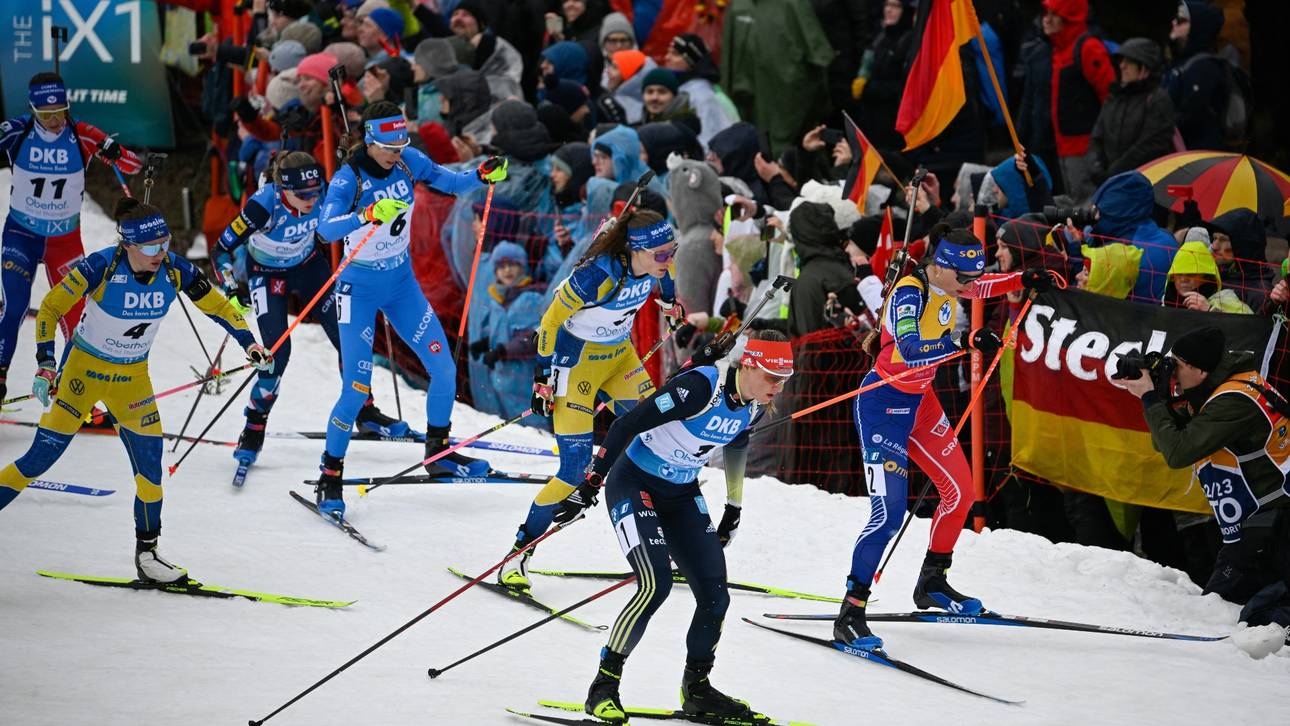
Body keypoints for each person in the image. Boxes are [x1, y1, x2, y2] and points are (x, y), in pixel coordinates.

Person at [0, 199, 270, 582]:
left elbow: (220, 307)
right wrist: (45, 364)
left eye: (165, 242)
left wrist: (250, 343)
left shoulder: (175, 270)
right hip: (82, 375)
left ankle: (148, 555)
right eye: (150, 247)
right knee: (37, 461)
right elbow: (50, 308)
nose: (160, 253)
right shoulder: (102, 266)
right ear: (127, 244)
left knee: (150, 475)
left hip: (132, 382)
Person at [553, 329, 795, 723]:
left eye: (783, 380)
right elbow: (625, 425)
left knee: (717, 596)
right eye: (771, 377)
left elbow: (736, 442)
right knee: (655, 585)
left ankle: (697, 691)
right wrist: (590, 484)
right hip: (634, 484)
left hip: (681, 493)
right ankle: (604, 687)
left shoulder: (754, 402)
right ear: (748, 365)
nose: (777, 388)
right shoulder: (700, 388)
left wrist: (733, 507)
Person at [834, 228, 1050, 651]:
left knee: (961, 493)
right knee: (889, 514)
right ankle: (851, 612)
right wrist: (963, 340)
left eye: (973, 277)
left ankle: (932, 582)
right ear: (941, 267)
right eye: (964, 278)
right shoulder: (909, 293)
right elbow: (910, 350)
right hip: (883, 406)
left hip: (922, 403)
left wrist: (1025, 279)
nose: (971, 286)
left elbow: (983, 283)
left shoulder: (953, 283)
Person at [311, 101, 508, 518]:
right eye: (388, 146)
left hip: (401, 284)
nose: (396, 152)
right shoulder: (350, 179)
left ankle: (438, 451)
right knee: (355, 389)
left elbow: (450, 182)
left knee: (443, 368)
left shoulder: (408, 162)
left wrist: (480, 174)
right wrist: (363, 215)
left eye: (401, 143)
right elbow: (325, 228)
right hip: (358, 290)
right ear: (369, 140)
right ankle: (331, 473)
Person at [498, 209, 682, 591]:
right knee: (573, 469)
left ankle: (667, 543)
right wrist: (542, 379)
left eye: (672, 251)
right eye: (661, 254)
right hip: (576, 364)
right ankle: (518, 553)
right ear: (636, 249)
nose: (668, 260)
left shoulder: (657, 265)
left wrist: (670, 304)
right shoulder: (598, 274)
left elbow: (666, 282)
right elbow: (549, 322)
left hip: (619, 357)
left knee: (660, 435)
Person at [212, 150, 406, 469]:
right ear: (282, 189)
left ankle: (365, 410)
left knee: (349, 337)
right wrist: (231, 286)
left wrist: (373, 212)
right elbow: (221, 249)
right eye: (302, 195)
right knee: (277, 354)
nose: (311, 200)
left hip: (308, 266)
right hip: (267, 275)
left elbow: (350, 211)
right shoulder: (263, 205)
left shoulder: (323, 191)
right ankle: (254, 425)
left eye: (315, 193)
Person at [1114, 326, 1290, 609]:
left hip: (1275, 521)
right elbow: (1166, 441)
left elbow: (1178, 452)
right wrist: (1155, 398)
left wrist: (1150, 398)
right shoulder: (1218, 392)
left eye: (1178, 366)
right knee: (1224, 609)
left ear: (1201, 371)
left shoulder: (1233, 399)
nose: (1173, 374)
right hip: (1257, 522)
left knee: (1223, 610)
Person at [0, 73, 142, 402]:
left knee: (78, 315)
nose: (53, 120)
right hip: (22, 235)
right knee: (16, 305)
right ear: (32, 110)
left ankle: (72, 383)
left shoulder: (83, 136)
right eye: (45, 114)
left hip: (64, 241)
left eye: (60, 111)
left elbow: (132, 166)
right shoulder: (17, 132)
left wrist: (113, 150)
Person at [1035, 0, 1115, 201]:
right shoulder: (1058, 50)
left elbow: (1110, 97)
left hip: (1086, 147)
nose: (1047, 19)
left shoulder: (1088, 48)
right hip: (1064, 146)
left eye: (1054, 14)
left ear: (1069, 17)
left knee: (1087, 204)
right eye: (1046, 13)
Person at [1088, 38, 1177, 185]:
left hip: (1144, 185)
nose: (1122, 66)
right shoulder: (1114, 97)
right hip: (1111, 183)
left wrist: (1114, 172)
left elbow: (1151, 144)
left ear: (1144, 67)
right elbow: (1097, 137)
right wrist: (1095, 166)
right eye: (1121, 61)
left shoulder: (1157, 99)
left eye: (1129, 62)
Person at [1090, 170, 1179, 304]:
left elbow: (1087, 296)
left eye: (1099, 211)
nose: (1095, 217)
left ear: (1116, 211)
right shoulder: (1168, 238)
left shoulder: (1120, 252)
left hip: (1131, 321)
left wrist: (1076, 251)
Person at [1161, 231, 1253, 314]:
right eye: (1178, 274)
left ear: (1206, 277)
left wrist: (1210, 310)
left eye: (1191, 274)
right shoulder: (1165, 301)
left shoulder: (1226, 301)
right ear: (1172, 277)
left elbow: (1247, 329)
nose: (1184, 279)